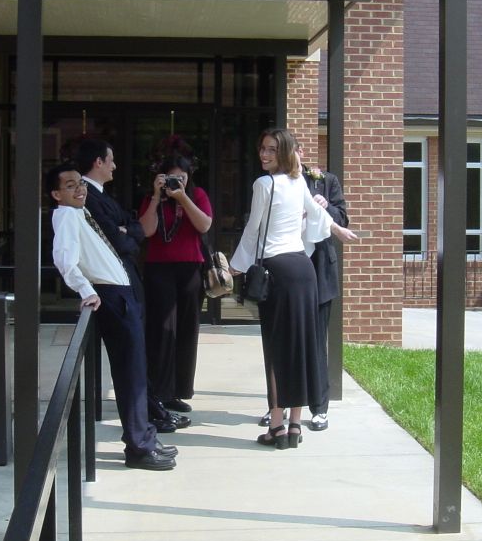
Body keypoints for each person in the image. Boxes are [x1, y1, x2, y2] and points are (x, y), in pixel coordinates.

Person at [229, 128, 357, 449]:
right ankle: (295, 426)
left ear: (285, 152)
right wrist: (339, 228)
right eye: (262, 148)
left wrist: (234, 266)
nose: (264, 154)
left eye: (271, 150)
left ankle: (277, 425)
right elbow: (318, 214)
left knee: (276, 349)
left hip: (279, 269)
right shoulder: (298, 181)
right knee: (300, 347)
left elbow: (253, 229)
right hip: (303, 270)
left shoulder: (264, 184)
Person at [47, 162, 178, 471]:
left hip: (122, 292)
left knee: (136, 369)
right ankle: (139, 447)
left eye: (79, 182)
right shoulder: (65, 215)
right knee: (130, 373)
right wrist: (84, 290)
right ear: (56, 194)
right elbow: (64, 260)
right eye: (69, 185)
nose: (78, 188)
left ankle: (144, 437)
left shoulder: (79, 211)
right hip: (111, 295)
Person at [75, 139, 191, 434]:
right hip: (114, 285)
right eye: (111, 160)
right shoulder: (87, 197)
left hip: (128, 279)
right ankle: (140, 431)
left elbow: (133, 230)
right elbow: (121, 240)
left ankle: (152, 413)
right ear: (98, 162)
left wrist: (129, 230)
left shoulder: (103, 196)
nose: (115, 165)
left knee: (138, 356)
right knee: (130, 359)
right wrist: (128, 232)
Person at [139, 152, 213, 415]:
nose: (176, 182)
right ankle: (159, 390)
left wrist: (183, 198)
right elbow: (146, 231)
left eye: (181, 178)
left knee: (185, 330)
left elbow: (204, 225)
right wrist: (157, 196)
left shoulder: (198, 194)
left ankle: (178, 391)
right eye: (171, 178)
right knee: (161, 330)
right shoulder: (153, 197)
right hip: (158, 268)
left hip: (190, 268)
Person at [298, 140, 348, 432]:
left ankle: (319, 408)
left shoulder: (326, 181)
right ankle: (277, 406)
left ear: (301, 153)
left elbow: (342, 216)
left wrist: (327, 206)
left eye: (294, 150)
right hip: (290, 265)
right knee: (285, 343)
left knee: (317, 342)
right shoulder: (279, 184)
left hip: (319, 269)